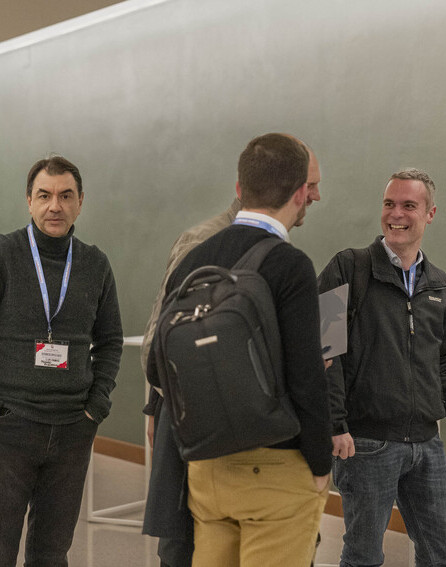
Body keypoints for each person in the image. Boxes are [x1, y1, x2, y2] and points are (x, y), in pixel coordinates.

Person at [146, 133, 332, 567]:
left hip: (207, 472)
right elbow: (307, 378)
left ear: (239, 188)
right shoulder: (290, 266)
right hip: (276, 471)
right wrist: (320, 464)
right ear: (299, 193)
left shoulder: (194, 258)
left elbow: (158, 366)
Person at [318, 168, 446, 567]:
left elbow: (441, 363)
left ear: (430, 214)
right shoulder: (347, 268)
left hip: (427, 445)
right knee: (363, 557)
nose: (396, 214)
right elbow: (323, 351)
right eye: (389, 204)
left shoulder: (440, 286)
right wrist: (335, 423)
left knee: (441, 556)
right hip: (365, 444)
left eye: (409, 205)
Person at [0, 156, 123, 566]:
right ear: (29, 201)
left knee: (52, 553)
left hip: (72, 429)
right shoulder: (5, 254)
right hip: (10, 426)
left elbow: (110, 341)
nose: (55, 206)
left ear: (80, 202)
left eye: (66, 196)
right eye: (45, 195)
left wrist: (95, 407)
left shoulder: (95, 264)